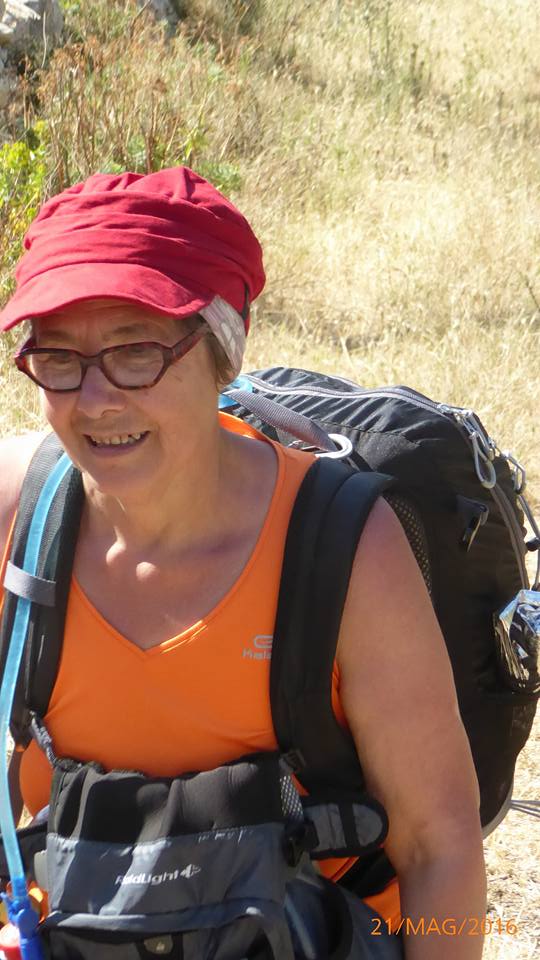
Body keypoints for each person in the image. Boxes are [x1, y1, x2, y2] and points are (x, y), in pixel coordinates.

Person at [0, 166, 486, 958]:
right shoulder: (16, 523)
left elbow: (439, 846)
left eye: (135, 352)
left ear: (224, 350)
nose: (94, 400)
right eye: (58, 357)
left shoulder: (343, 549)